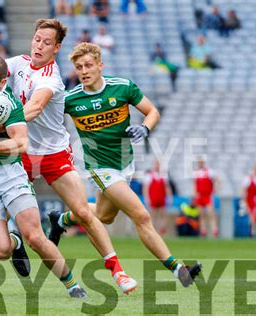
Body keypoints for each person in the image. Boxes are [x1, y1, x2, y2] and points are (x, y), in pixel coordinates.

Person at [0, 19, 137, 295]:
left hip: (54, 153)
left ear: (56, 48)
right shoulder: (17, 63)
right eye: (37, 39)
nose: (39, 45)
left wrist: (0, 124)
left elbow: (34, 107)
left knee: (82, 212)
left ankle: (118, 271)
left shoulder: (51, 79)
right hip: (23, 153)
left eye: (46, 42)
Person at [51, 42, 202, 288]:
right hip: (99, 168)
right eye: (79, 67)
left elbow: (152, 111)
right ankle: (178, 270)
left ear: (101, 65)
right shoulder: (71, 99)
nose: (84, 70)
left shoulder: (123, 87)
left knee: (103, 217)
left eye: (89, 65)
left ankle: (62, 219)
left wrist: (145, 127)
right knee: (140, 215)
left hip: (125, 164)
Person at [0, 53, 87, 298]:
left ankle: (72, 285)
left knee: (35, 237)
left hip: (10, 175)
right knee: (2, 250)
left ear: (3, 83)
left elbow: (21, 143)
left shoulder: (11, 106)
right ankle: (11, 241)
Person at [143, 160, 173, 235]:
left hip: (161, 198)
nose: (157, 166)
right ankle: (153, 231)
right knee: (153, 215)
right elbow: (145, 188)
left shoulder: (163, 175)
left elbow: (167, 187)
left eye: (158, 164)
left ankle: (161, 230)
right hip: (153, 198)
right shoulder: (149, 176)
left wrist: (169, 197)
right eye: (156, 164)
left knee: (162, 214)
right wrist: (147, 198)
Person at [193, 157, 219, 237]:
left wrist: (215, 189)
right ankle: (203, 231)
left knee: (211, 213)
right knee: (202, 214)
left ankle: (214, 230)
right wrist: (195, 193)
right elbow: (195, 184)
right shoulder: (196, 173)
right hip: (200, 196)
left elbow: (217, 180)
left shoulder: (209, 172)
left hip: (207, 196)